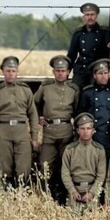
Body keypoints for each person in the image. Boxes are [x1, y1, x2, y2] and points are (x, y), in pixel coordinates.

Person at [0, 56, 39, 189]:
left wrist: (35, 138)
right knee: (6, 167)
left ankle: (22, 194)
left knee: (24, 167)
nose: (11, 74)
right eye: (8, 70)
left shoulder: (25, 90)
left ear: (17, 72)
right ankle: (7, 194)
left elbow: (33, 114)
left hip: (21, 131)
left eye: (13, 71)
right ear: (3, 71)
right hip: (4, 131)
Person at [33, 55, 80, 203]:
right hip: (49, 132)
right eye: (57, 70)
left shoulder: (73, 89)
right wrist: (39, 116)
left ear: (68, 72)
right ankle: (43, 196)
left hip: (66, 131)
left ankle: (65, 196)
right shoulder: (45, 87)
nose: (60, 73)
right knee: (45, 165)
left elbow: (78, 110)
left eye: (63, 70)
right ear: (53, 72)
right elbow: (33, 104)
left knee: (66, 166)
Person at [61, 112, 107, 213]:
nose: (85, 132)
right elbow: (65, 173)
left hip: (92, 190)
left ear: (93, 130)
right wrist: (72, 191)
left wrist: (92, 193)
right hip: (74, 190)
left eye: (88, 128)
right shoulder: (70, 149)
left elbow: (101, 175)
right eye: (82, 128)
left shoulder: (99, 150)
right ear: (77, 130)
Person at [66, 2, 110, 88]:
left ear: (96, 16)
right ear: (83, 17)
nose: (90, 17)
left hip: (97, 70)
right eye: (87, 15)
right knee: (75, 90)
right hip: (81, 70)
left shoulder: (104, 32)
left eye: (92, 14)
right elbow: (72, 54)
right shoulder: (78, 33)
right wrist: (66, 71)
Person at [77, 58, 110, 157]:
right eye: (100, 74)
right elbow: (81, 114)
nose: (103, 76)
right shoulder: (87, 92)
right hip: (94, 135)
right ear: (94, 75)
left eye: (105, 73)